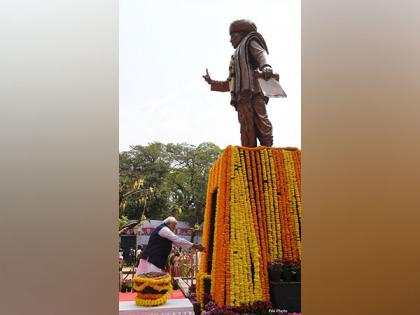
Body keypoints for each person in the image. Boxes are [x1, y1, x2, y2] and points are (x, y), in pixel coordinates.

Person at [203, 19, 275, 147]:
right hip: (242, 98)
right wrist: (211, 82)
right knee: (246, 128)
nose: (230, 40)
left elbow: (260, 54)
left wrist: (266, 66)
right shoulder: (234, 58)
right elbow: (230, 83)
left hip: (255, 92)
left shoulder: (249, 42)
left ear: (241, 35)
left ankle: (269, 154)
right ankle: (249, 159)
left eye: (233, 36)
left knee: (262, 123)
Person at [135, 216, 205, 275]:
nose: (175, 228)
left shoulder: (163, 229)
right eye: (174, 225)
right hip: (152, 260)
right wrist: (195, 246)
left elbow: (178, 243)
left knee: (152, 281)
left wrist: (193, 247)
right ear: (168, 223)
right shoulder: (164, 229)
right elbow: (178, 240)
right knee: (153, 282)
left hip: (155, 260)